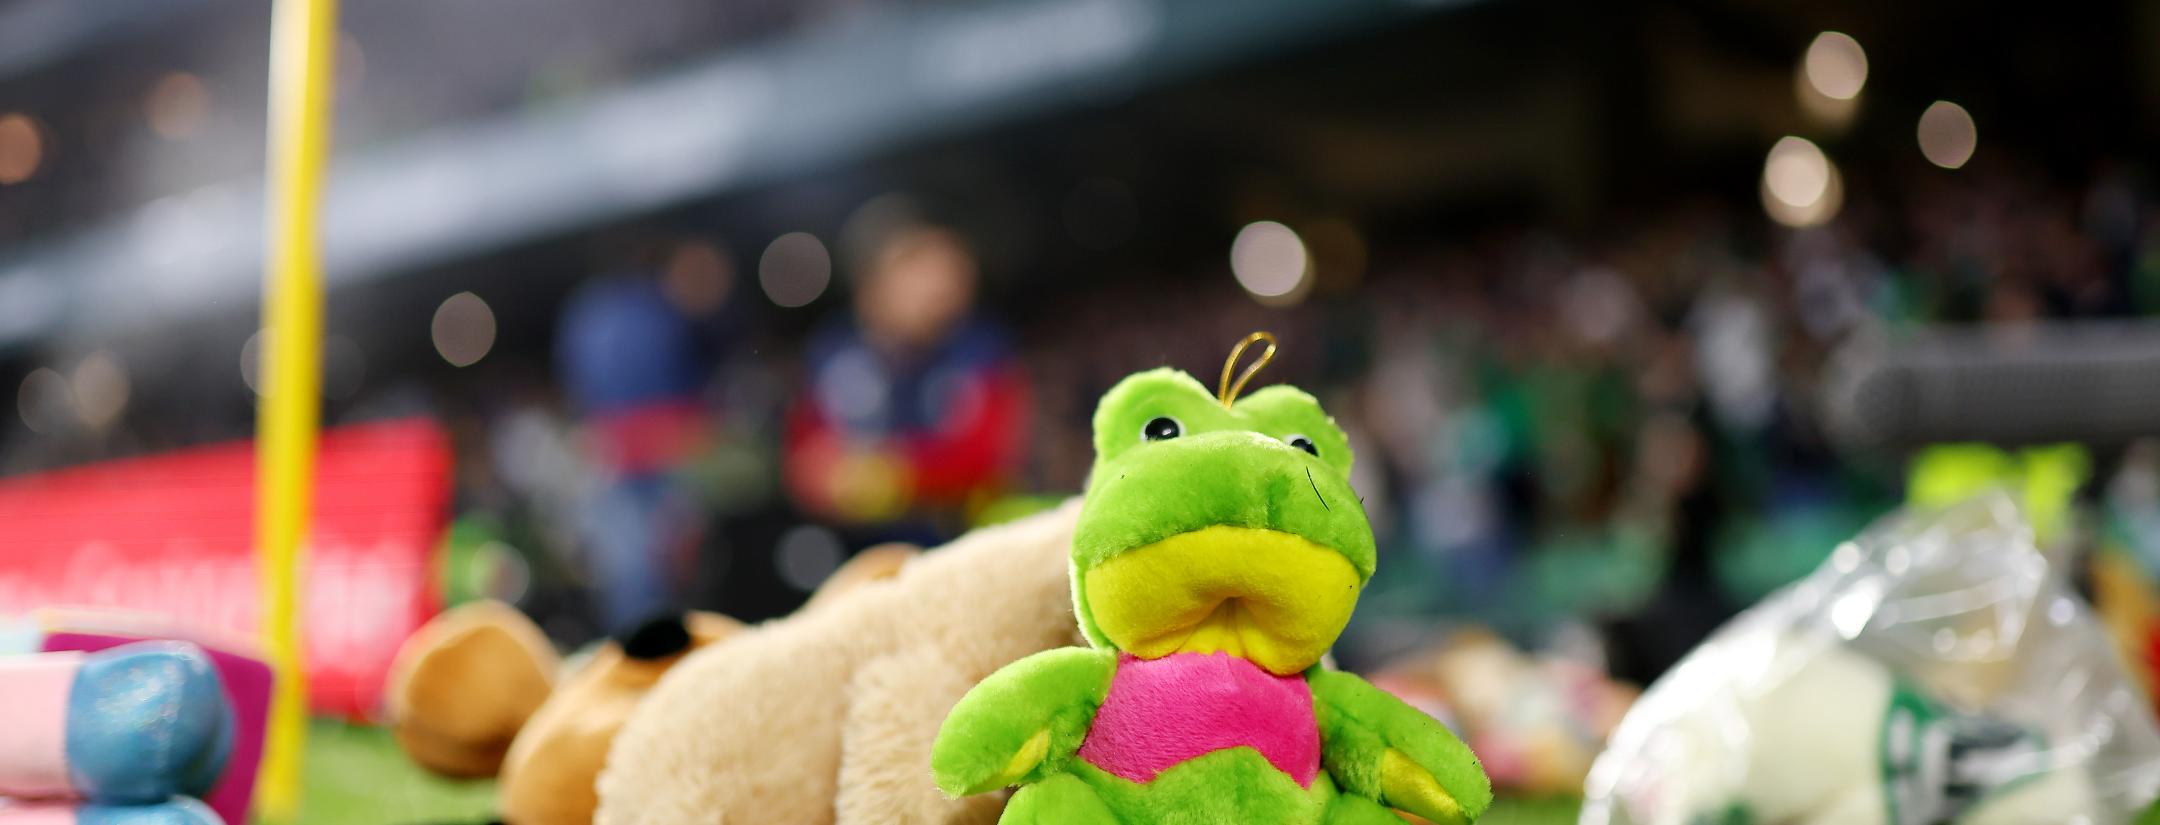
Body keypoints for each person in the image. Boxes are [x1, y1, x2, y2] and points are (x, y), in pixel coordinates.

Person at [783, 217, 1028, 545]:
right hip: (858, 547)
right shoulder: (834, 354)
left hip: (962, 537)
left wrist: (890, 474)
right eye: (920, 271)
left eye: (953, 273)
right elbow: (806, 465)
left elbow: (988, 457)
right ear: (874, 285)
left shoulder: (981, 348)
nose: (941, 288)